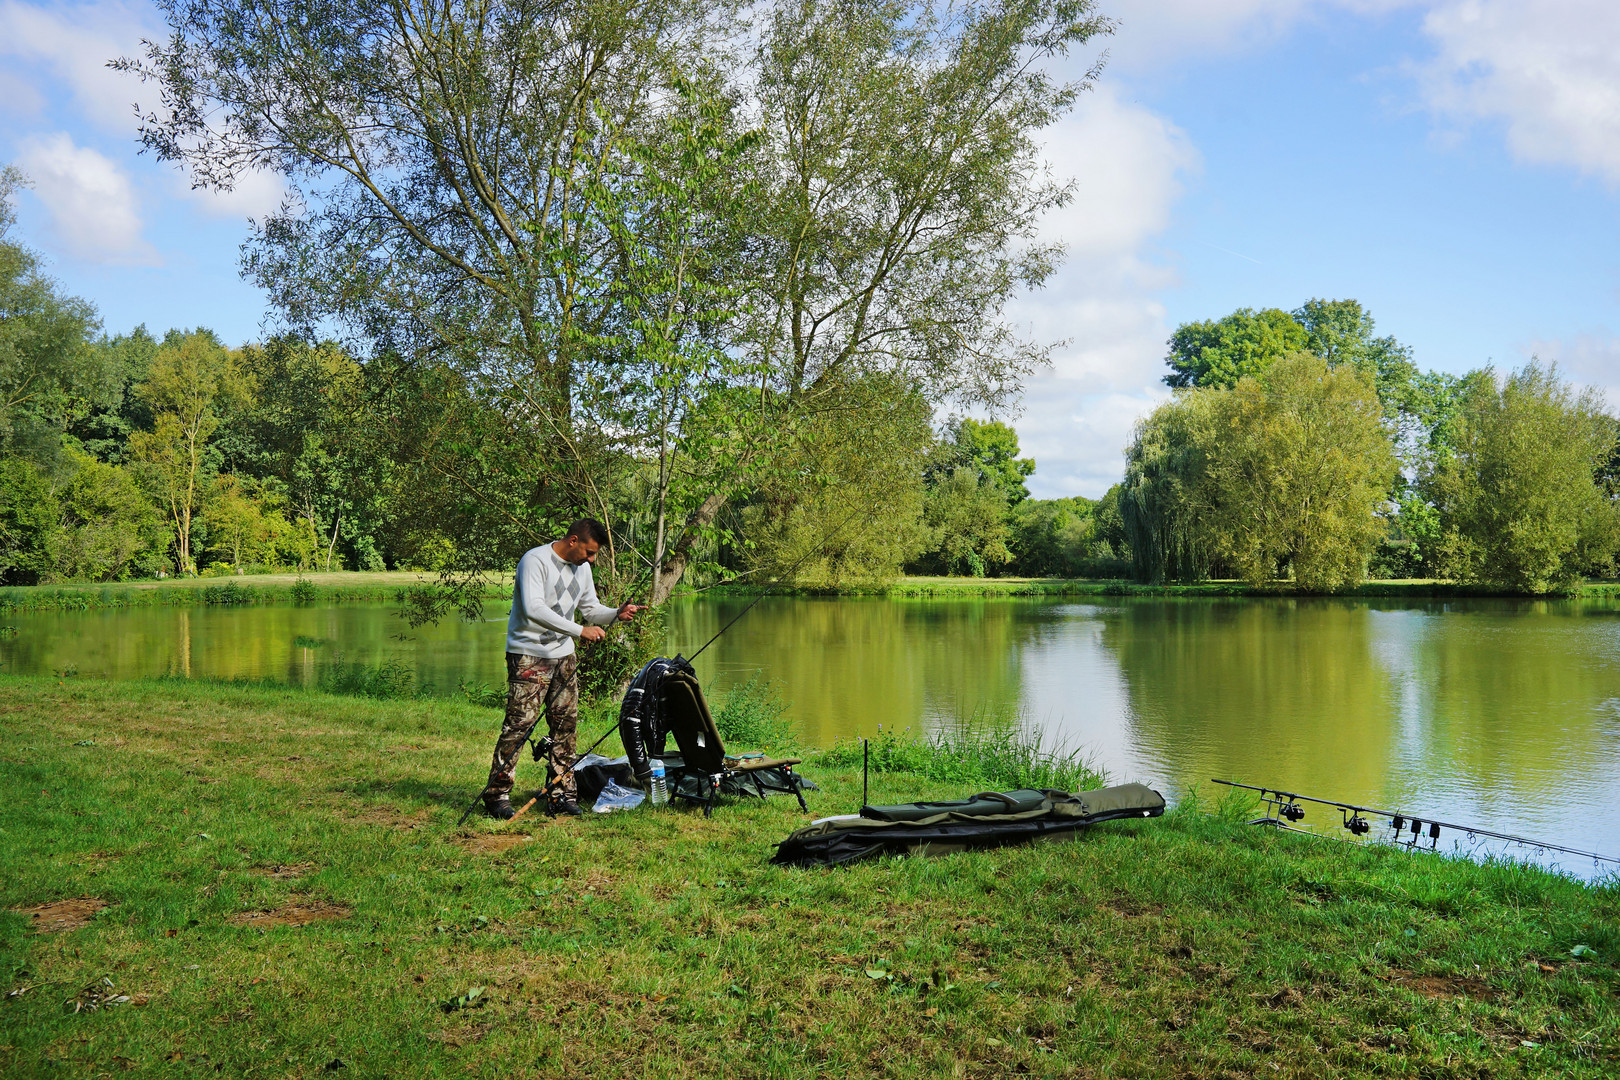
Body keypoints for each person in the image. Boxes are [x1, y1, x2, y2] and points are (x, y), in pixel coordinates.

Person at [481, 518, 643, 818]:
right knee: (519, 726)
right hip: (528, 655)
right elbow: (534, 609)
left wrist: (616, 614)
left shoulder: (582, 570)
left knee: (565, 728)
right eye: (590, 552)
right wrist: (580, 631)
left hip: (564, 657)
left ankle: (561, 794)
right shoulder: (535, 560)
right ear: (573, 540)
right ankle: (497, 795)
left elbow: (591, 609)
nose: (592, 560)